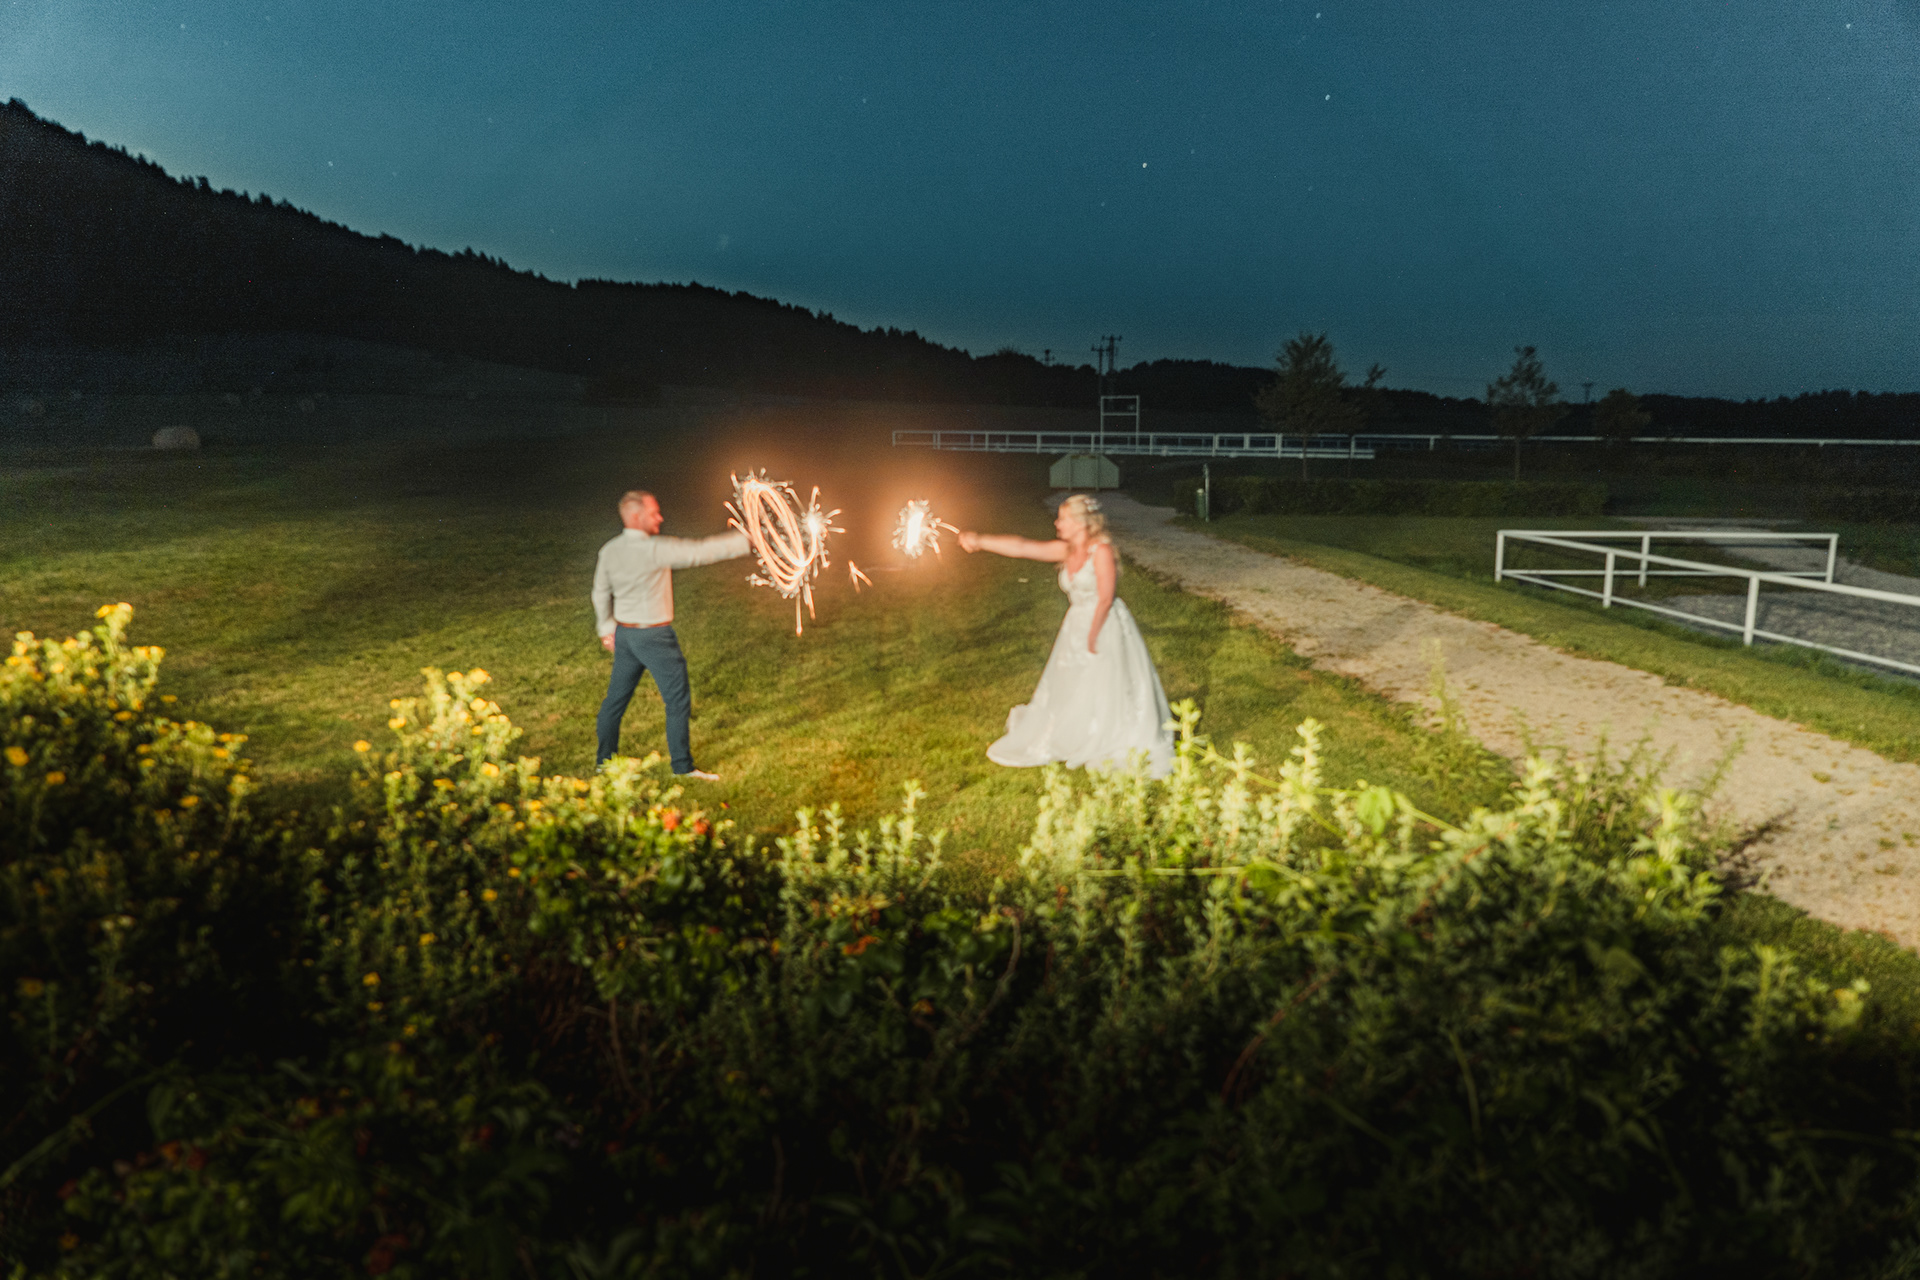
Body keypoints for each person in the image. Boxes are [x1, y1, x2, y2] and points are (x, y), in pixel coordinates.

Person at [957, 493, 1174, 778]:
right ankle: (1079, 730)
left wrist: (1093, 635)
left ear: (1081, 523)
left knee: (1104, 679)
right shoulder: (1066, 551)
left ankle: (1108, 732)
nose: (1057, 523)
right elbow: (1022, 547)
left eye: (1063, 519)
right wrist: (980, 541)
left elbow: (1106, 597)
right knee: (1072, 681)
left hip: (1104, 623)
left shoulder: (1102, 551)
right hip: (1075, 624)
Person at [592, 489, 750, 780]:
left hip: (625, 635)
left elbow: (600, 592)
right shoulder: (655, 549)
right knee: (677, 701)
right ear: (636, 517)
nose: (660, 518)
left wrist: (606, 629)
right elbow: (701, 552)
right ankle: (682, 767)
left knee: (615, 701)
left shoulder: (610, 550)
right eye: (654, 513)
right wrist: (748, 540)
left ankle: (604, 762)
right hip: (655, 637)